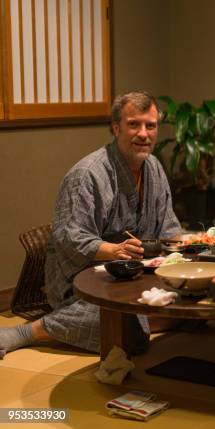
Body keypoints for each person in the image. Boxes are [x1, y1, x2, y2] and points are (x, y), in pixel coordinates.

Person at [0, 91, 182, 358]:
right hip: (85, 278)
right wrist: (111, 250)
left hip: (137, 275)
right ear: (116, 127)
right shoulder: (88, 174)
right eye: (134, 124)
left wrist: (187, 249)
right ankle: (31, 331)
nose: (143, 134)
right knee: (127, 333)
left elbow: (168, 227)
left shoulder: (154, 167)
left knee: (195, 300)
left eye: (150, 126)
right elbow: (68, 235)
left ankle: (142, 318)